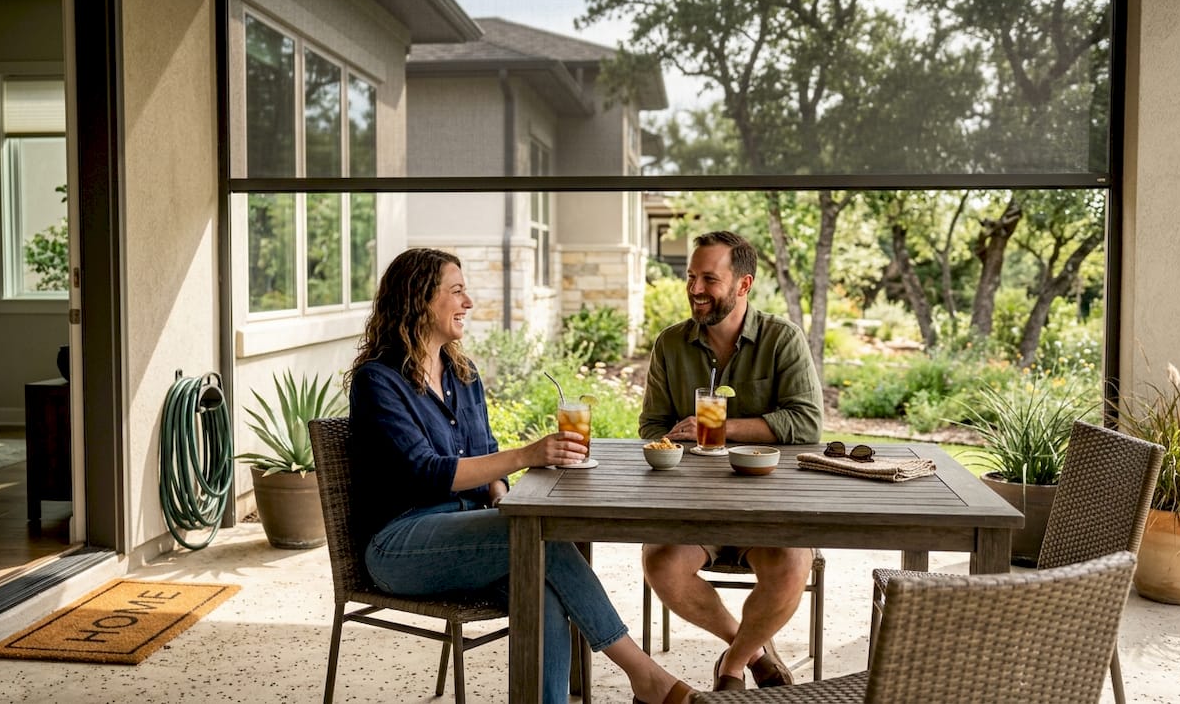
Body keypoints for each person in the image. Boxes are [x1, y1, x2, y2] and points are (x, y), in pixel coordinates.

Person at [347, 248, 693, 704]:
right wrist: (527, 454)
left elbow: (484, 450)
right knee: (540, 541)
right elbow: (426, 471)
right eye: (456, 291)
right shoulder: (378, 380)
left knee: (541, 588)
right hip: (399, 545)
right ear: (418, 299)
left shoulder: (461, 373)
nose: (468, 302)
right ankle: (645, 675)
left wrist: (498, 493)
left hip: (467, 532)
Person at [639, 231, 824, 691]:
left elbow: (806, 424)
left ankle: (733, 666)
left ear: (743, 285)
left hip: (769, 507)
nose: (695, 289)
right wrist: (671, 440)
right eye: (691, 277)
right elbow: (651, 426)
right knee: (659, 562)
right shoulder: (670, 344)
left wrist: (721, 426)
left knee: (791, 565)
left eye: (709, 279)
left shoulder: (783, 339)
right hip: (692, 508)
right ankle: (757, 652)